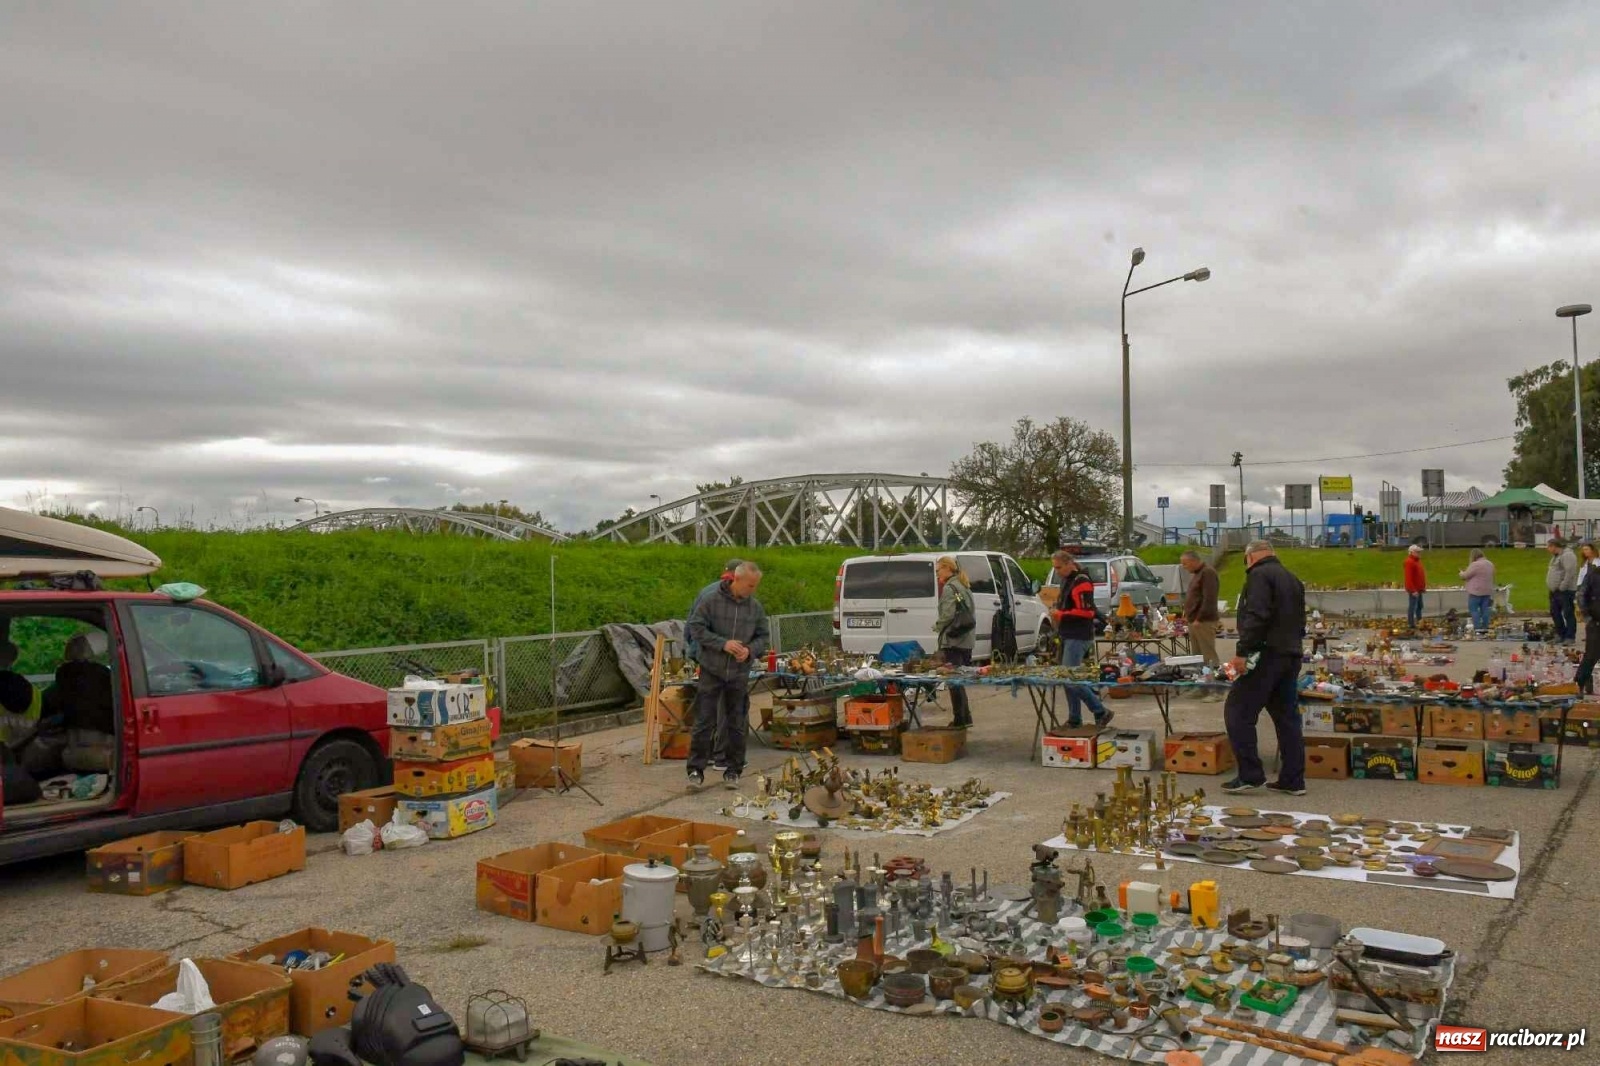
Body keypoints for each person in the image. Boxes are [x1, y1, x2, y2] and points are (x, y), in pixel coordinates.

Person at [1221, 541, 1308, 797]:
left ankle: (1251, 774)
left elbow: (1257, 615)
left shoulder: (1259, 575)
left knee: (1238, 712)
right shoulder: (1292, 578)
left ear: (1250, 557)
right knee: (1287, 718)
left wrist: (1242, 651)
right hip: (1290, 653)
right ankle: (1293, 779)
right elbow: (1301, 620)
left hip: (1266, 654)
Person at [684, 561, 769, 791]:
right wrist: (723, 644)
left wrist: (750, 650)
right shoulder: (710, 600)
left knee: (736, 723)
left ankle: (733, 770)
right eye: (750, 585)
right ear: (736, 580)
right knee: (705, 721)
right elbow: (696, 629)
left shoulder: (755, 608)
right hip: (712, 669)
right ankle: (695, 770)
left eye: (755, 586)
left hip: (739, 673)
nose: (753, 590)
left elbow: (763, 637)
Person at [1047, 551, 1113, 730]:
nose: (1057, 571)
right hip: (1067, 634)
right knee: (1068, 678)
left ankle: (1100, 710)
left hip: (1078, 635)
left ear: (1070, 563)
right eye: (1055, 568)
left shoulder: (1081, 582)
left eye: (1059, 567)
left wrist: (1061, 614)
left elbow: (1087, 612)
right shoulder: (1067, 580)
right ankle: (1075, 718)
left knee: (1070, 678)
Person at [933, 556, 976, 728]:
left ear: (946, 568)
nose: (937, 575)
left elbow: (948, 614)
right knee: (959, 680)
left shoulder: (950, 588)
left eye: (938, 570)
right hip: (966, 640)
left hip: (953, 641)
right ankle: (966, 717)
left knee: (953, 681)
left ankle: (960, 720)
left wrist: (938, 626)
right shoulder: (964, 585)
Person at [1180, 550, 1221, 673]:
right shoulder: (1197, 574)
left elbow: (1209, 598)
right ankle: (1200, 680)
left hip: (1203, 621)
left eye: (1185, 563)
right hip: (1194, 621)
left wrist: (1199, 618)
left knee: (1208, 654)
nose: (1184, 567)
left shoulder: (1207, 573)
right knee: (1197, 655)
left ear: (1194, 561)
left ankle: (1213, 681)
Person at [1576, 542, 1600, 694]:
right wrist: (1587, 615)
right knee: (1591, 655)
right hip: (1595, 622)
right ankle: (1579, 685)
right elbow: (1581, 595)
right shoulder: (1594, 575)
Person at [1547, 537, 1579, 644]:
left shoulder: (1568, 555)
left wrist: (1562, 587)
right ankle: (1560, 634)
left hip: (1565, 590)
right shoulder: (1555, 557)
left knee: (1568, 613)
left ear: (1555, 546)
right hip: (1554, 590)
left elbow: (1569, 573)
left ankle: (1570, 636)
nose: (1548, 549)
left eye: (1549, 546)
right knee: (1554, 612)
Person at [1459, 549, 1496, 634]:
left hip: (1476, 591)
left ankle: (1478, 628)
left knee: (1474, 610)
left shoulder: (1475, 565)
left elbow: (1465, 576)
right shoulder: (1490, 564)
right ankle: (1485, 627)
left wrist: (1461, 573)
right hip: (1487, 590)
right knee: (1485, 609)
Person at [1403, 544, 1427, 629]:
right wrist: (1412, 590)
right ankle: (1411, 623)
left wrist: (1422, 587)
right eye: (1417, 552)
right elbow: (1408, 578)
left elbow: (1420, 575)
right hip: (1414, 589)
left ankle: (1419, 621)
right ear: (1412, 552)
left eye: (1419, 552)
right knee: (1413, 606)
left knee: (1419, 606)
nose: (1419, 553)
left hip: (1419, 588)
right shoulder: (1409, 562)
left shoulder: (1417, 561)